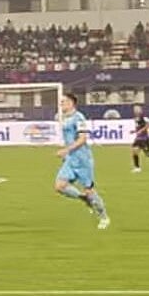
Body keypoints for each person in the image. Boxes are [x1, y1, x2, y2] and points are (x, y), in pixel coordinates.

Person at [55, 94, 110, 230]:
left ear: (71, 103)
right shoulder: (66, 119)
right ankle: (83, 198)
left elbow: (82, 139)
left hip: (83, 160)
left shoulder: (79, 118)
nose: (61, 104)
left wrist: (66, 150)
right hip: (71, 159)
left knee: (89, 190)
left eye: (63, 102)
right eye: (61, 102)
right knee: (59, 186)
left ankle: (104, 217)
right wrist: (67, 155)